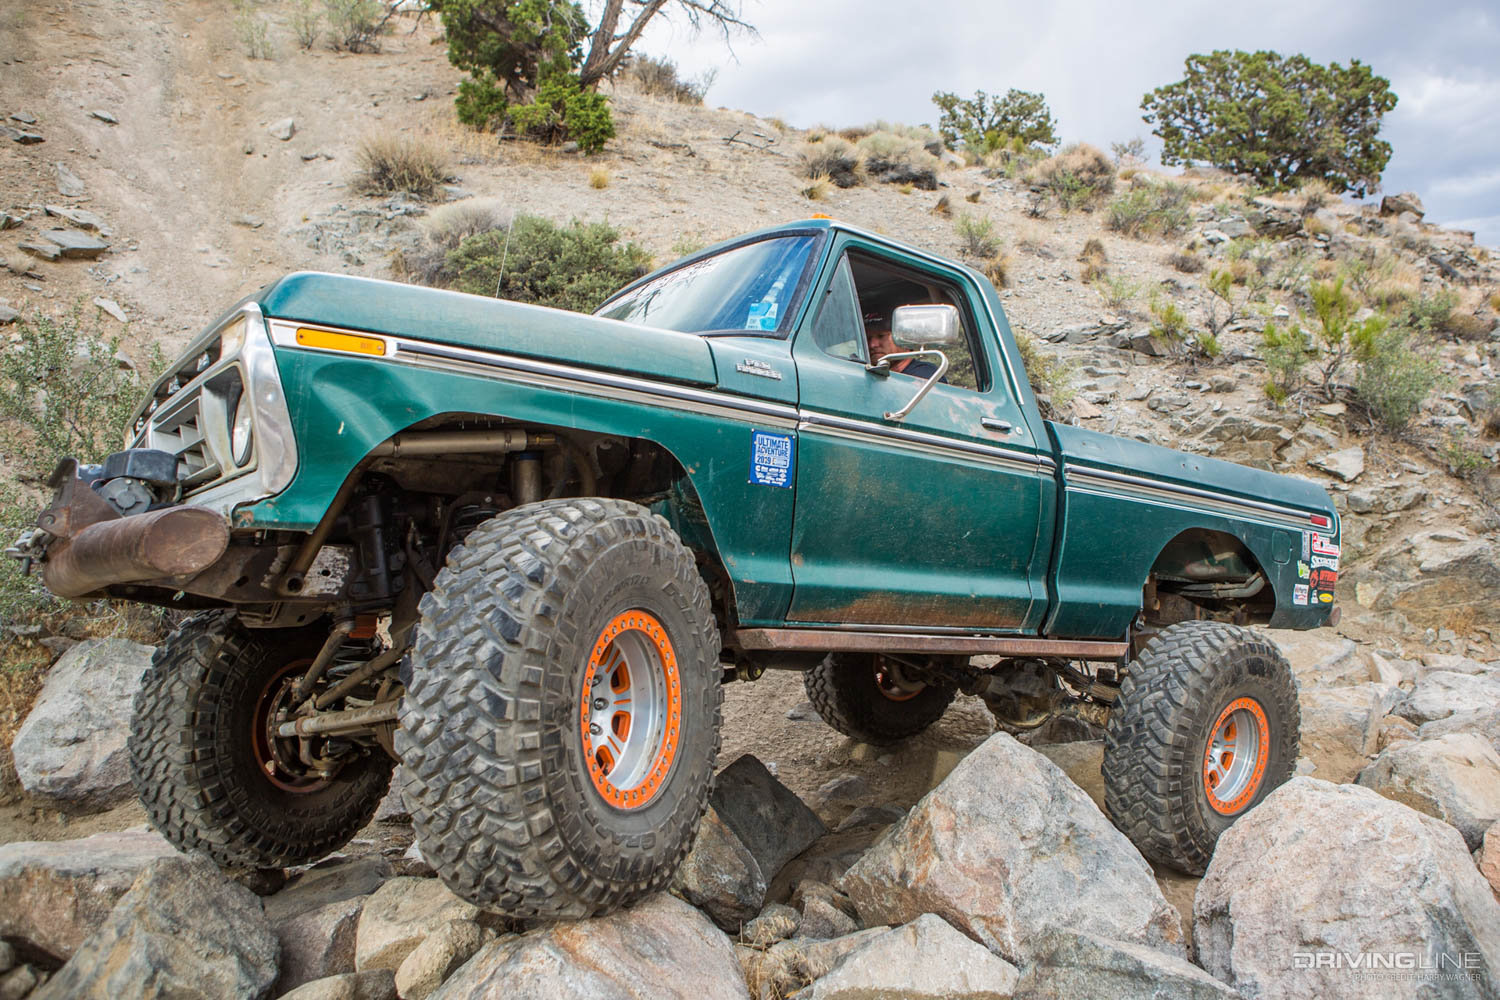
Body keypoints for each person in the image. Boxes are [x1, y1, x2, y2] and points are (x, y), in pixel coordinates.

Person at [864, 310, 940, 379]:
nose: (872, 345)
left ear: (904, 339)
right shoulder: (865, 376)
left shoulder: (925, 374)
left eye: (881, 336)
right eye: (868, 338)